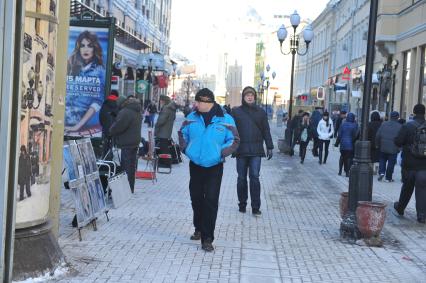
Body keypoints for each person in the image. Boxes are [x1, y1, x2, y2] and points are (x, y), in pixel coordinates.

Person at [178, 88, 240, 252]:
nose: (195, 104)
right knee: (196, 197)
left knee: (211, 200)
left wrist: (220, 153)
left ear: (207, 102)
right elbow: (181, 134)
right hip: (196, 164)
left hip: (215, 166)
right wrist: (187, 150)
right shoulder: (191, 117)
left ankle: (207, 238)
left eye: (198, 102)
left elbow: (234, 139)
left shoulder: (226, 119)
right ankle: (198, 227)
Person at [231, 86, 273, 216]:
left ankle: (255, 207)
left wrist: (270, 146)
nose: (250, 97)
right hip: (241, 150)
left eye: (252, 95)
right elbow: (230, 130)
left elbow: (266, 130)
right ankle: (242, 204)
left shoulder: (260, 112)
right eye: (247, 95)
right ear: (243, 97)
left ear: (254, 97)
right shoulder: (236, 112)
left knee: (254, 178)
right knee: (241, 178)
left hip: (256, 150)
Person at [65, 31, 105, 134]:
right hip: (63, 118)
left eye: (90, 46)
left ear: (94, 49)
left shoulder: (99, 71)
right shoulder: (72, 65)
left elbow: (97, 102)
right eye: (82, 46)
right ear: (79, 48)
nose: (86, 49)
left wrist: (77, 126)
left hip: (78, 123)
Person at [393, 104, 426, 224]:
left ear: (414, 112)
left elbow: (398, 141)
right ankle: (422, 215)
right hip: (424, 165)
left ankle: (400, 208)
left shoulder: (408, 126)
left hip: (410, 163)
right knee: (422, 189)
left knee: (407, 187)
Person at [109, 96, 142, 193]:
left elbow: (119, 126)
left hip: (126, 142)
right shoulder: (136, 110)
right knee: (131, 167)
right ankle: (130, 188)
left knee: (126, 167)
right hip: (134, 141)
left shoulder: (125, 112)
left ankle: (125, 190)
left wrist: (110, 131)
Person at [375, 111, 402, 182]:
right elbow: (401, 138)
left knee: (382, 160)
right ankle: (388, 177)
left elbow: (378, 135)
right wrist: (400, 147)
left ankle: (381, 172)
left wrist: (377, 144)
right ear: (397, 117)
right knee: (391, 163)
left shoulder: (384, 124)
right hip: (394, 148)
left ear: (390, 116)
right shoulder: (400, 126)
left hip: (383, 146)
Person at [335, 113, 358, 177]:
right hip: (350, 144)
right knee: (349, 158)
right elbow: (355, 135)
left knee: (342, 156)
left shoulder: (343, 125)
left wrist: (337, 143)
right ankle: (347, 172)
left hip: (343, 144)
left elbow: (339, 135)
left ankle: (340, 171)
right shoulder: (355, 125)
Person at [99, 90, 119, 158]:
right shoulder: (117, 104)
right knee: (112, 143)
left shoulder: (105, 103)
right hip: (114, 128)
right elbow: (119, 117)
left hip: (105, 127)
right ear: (117, 96)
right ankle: (110, 156)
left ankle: (104, 156)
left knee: (105, 143)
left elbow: (101, 116)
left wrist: (103, 125)